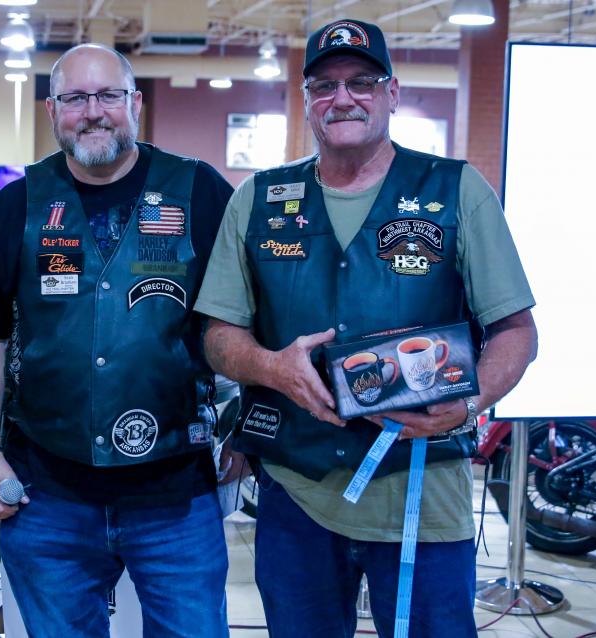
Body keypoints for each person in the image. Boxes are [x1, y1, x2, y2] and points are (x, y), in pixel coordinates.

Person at [195, 20, 537, 638]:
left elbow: (516, 330)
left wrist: (469, 403)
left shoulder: (457, 191)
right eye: (324, 86)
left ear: (392, 93)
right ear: (307, 101)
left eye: (361, 82)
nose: (343, 98)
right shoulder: (258, 200)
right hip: (297, 492)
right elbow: (219, 336)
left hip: (421, 496)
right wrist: (271, 367)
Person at [0, 43, 235, 638]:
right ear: (52, 110)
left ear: (135, 103)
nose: (93, 112)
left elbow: (245, 316)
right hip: (47, 491)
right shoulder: (15, 207)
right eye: (75, 98)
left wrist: (246, 428)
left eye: (108, 95)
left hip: (175, 490)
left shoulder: (200, 193)